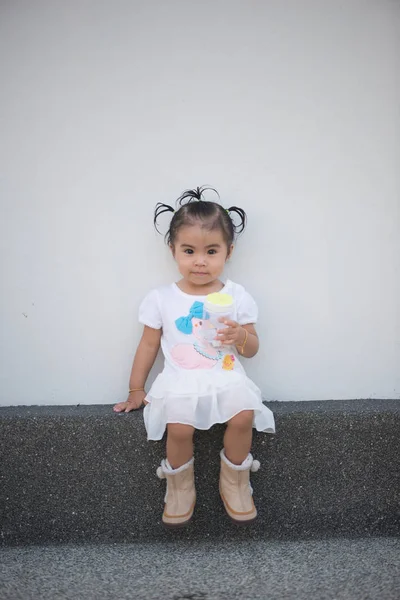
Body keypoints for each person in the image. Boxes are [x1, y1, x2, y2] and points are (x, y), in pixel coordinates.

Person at [114, 186, 275, 527]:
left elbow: (253, 347)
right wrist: (135, 389)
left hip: (226, 374)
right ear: (173, 249)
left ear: (228, 252)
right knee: (180, 426)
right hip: (180, 379)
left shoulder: (236, 296)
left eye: (211, 251)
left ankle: (235, 481)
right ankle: (179, 486)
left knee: (244, 415)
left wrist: (241, 336)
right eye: (189, 250)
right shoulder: (161, 298)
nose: (200, 261)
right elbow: (148, 345)